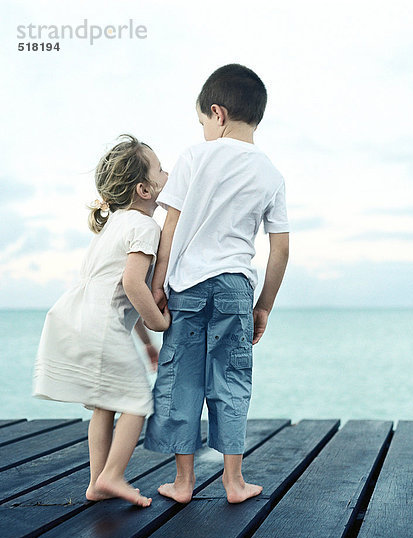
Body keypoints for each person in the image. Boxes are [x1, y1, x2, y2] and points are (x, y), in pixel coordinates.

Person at [144, 64, 290, 504]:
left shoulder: (193, 157)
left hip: (187, 288)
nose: (204, 130)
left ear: (217, 112)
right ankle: (234, 482)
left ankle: (184, 483)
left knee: (181, 379)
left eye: (203, 122)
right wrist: (263, 305)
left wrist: (157, 284)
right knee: (231, 379)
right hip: (234, 288)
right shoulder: (270, 173)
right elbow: (280, 249)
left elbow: (170, 225)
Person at [33, 135, 170, 507]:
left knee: (105, 404)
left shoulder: (113, 226)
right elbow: (132, 284)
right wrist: (157, 322)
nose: (168, 172)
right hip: (101, 326)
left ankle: (96, 481)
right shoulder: (146, 227)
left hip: (78, 318)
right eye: (160, 169)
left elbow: (121, 292)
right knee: (138, 400)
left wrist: (143, 342)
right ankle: (113, 475)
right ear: (144, 189)